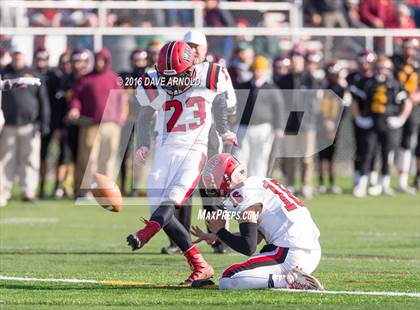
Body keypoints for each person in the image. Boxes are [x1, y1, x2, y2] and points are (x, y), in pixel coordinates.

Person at [127, 41, 238, 284]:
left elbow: (220, 102)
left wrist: (224, 130)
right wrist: (144, 143)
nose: (172, 82)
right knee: (159, 210)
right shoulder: (153, 80)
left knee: (172, 200)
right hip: (164, 151)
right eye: (167, 77)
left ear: (191, 67)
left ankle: (145, 233)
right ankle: (199, 264)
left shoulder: (209, 75)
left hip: (194, 150)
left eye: (176, 76)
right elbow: (145, 116)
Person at [191, 153, 323, 290]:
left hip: (290, 254)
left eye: (214, 182)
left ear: (225, 178)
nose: (214, 188)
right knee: (245, 270)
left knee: (228, 278)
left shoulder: (241, 195)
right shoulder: (257, 182)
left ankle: (288, 281)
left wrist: (220, 230)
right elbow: (257, 236)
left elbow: (248, 246)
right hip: (311, 252)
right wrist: (218, 236)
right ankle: (293, 278)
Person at [67, 48, 127, 197]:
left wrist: (120, 119)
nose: (100, 63)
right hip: (90, 125)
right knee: (89, 159)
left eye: (103, 60)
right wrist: (74, 108)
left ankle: (105, 191)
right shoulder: (85, 79)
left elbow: (122, 100)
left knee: (108, 159)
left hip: (111, 125)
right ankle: (87, 190)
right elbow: (75, 97)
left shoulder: (114, 79)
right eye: (98, 59)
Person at [354, 56, 413, 197]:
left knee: (387, 154)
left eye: (385, 68)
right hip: (371, 121)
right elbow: (356, 101)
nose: (382, 71)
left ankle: (385, 184)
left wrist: (401, 118)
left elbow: (407, 102)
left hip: (389, 122)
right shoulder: (367, 83)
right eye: (379, 68)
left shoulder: (395, 83)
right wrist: (359, 118)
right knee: (367, 152)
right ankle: (362, 184)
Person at [0, 50, 50, 206]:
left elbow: (43, 100)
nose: (17, 60)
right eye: (14, 56)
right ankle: (3, 191)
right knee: (5, 160)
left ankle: (28, 191)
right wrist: (17, 81)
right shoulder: (4, 72)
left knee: (30, 159)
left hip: (30, 125)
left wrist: (44, 122)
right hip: (8, 124)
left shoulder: (33, 74)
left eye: (20, 56)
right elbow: (3, 86)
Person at [235, 55, 284, 177]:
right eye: (256, 69)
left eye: (260, 69)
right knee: (240, 159)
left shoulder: (272, 88)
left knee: (260, 160)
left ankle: (257, 188)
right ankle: (239, 188)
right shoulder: (244, 86)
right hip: (244, 127)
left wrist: (279, 127)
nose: (258, 72)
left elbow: (279, 109)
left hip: (263, 127)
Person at [34, 48, 72, 199]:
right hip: (47, 122)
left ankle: (58, 187)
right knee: (42, 154)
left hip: (63, 123)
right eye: (64, 62)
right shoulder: (50, 77)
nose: (66, 65)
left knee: (63, 156)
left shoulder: (65, 79)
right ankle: (42, 186)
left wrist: (61, 126)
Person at [347, 50, 377, 188]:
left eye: (367, 62)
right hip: (359, 117)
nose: (364, 65)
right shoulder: (354, 78)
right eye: (362, 62)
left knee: (373, 148)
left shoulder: (377, 78)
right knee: (360, 148)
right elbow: (352, 99)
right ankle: (359, 176)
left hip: (376, 118)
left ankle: (372, 177)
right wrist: (358, 117)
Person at [392, 38, 419, 194]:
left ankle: (403, 180)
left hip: (414, 106)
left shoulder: (418, 63)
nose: (410, 51)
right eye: (408, 48)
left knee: (408, 142)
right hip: (394, 105)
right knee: (390, 141)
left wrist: (414, 97)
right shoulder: (395, 62)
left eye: (413, 48)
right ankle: (383, 179)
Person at [317, 61, 345, 194]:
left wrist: (334, 123)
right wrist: (324, 121)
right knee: (321, 156)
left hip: (334, 126)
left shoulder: (341, 89)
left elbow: (343, 109)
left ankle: (332, 182)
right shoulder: (322, 87)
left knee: (331, 157)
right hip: (321, 126)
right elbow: (318, 109)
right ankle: (322, 183)